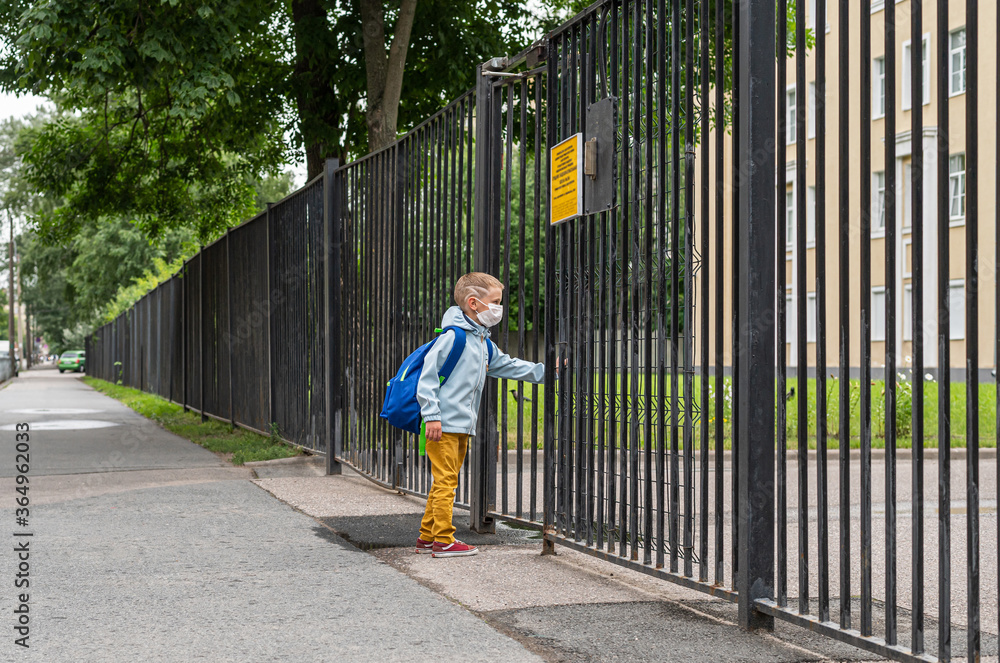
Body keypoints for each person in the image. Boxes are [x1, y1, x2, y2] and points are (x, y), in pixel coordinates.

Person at [415, 272, 545, 558]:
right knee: (447, 480)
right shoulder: (452, 337)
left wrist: (546, 373)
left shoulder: (482, 342)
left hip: (461, 424)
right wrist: (432, 415)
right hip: (443, 424)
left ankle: (427, 538)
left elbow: (508, 365)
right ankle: (444, 540)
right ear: (474, 303)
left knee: (444, 480)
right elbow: (427, 378)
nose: (498, 308)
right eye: (495, 302)